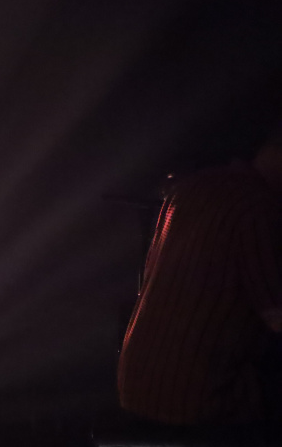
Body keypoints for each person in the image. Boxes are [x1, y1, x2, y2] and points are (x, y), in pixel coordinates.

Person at [117, 125, 282, 426]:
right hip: (201, 400)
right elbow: (277, 314)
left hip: (139, 386)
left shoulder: (191, 188)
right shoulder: (257, 208)